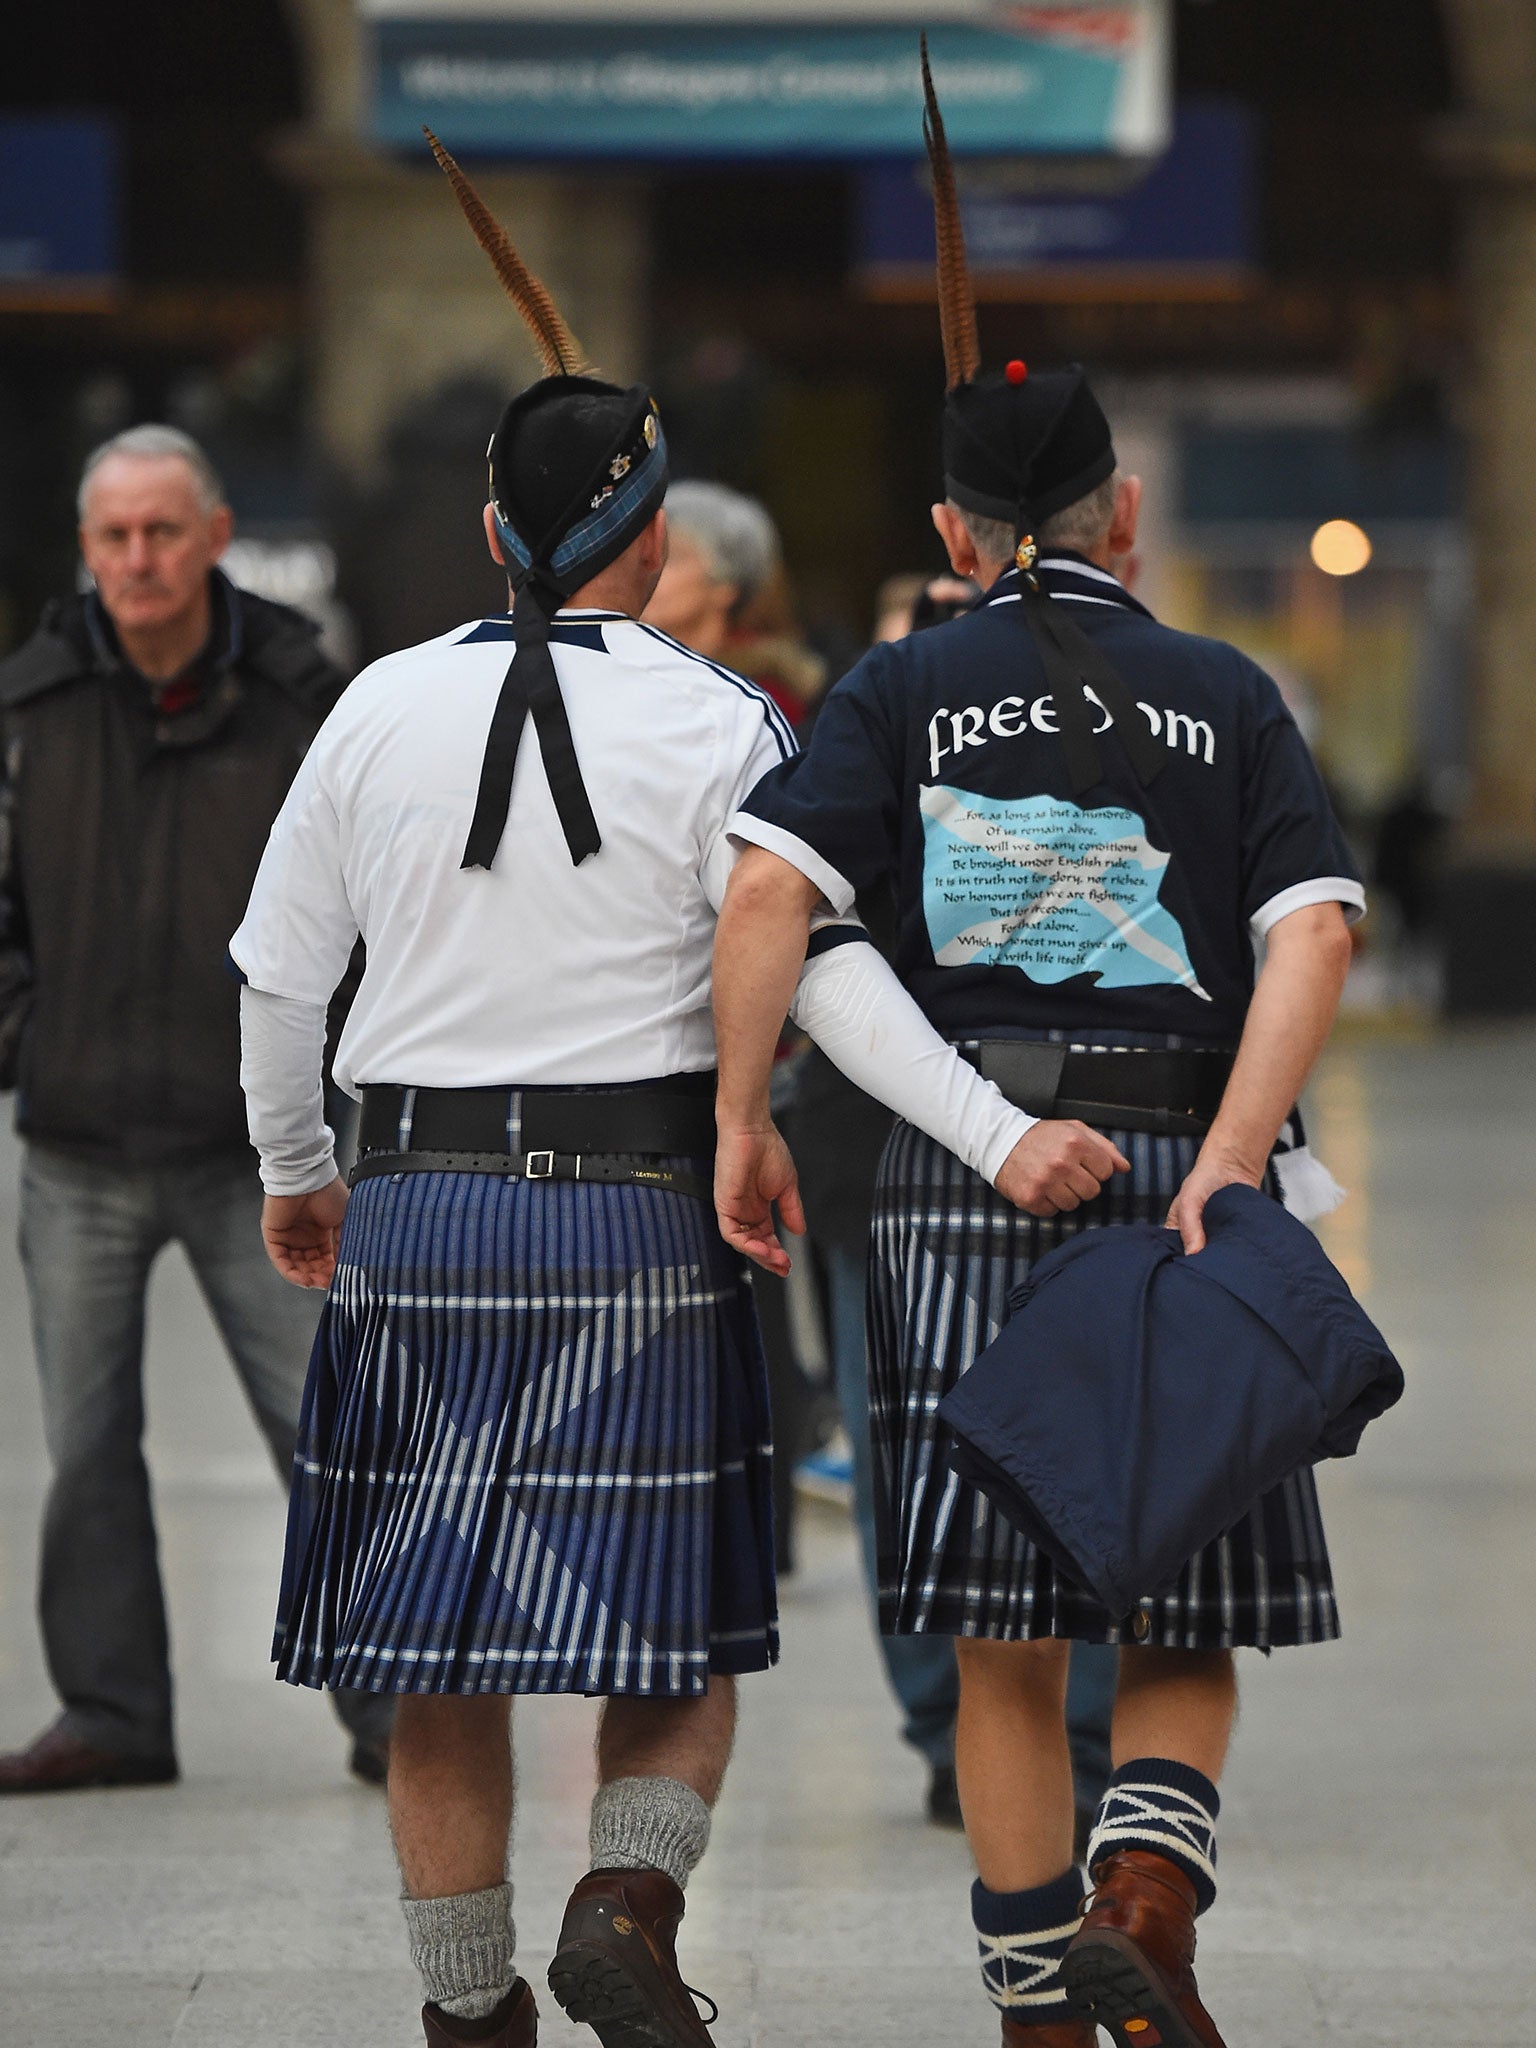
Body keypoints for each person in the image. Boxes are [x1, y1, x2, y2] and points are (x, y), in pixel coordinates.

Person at [230, 144, 1009, 2048]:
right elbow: (824, 970)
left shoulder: (368, 707)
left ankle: (470, 2019)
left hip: (413, 1210)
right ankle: (624, 1900)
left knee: (437, 1662)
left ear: (498, 534)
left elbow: (272, 976)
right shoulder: (729, 722)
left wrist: (296, 1168)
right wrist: (987, 1130)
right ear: (655, 540)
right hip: (640, 1217)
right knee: (675, 1628)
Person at [709, 54, 1363, 2048]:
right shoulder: (1225, 686)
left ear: (949, 528)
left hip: (965, 1195)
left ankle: (1038, 2019)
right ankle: (1147, 1878)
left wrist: (753, 1115)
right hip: (1183, 1185)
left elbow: (775, 919)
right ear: (1128, 515)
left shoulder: (900, 686)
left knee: (1001, 1644)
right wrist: (1237, 1156)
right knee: (1185, 1614)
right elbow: (1311, 931)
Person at [0, 424, 392, 1793]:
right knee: (87, 1446)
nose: (137, 560)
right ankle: (111, 1714)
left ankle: (394, 1722)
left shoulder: (301, 698)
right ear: (85, 547)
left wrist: (334, 1083)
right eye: (111, 536)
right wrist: (28, 1041)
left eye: (162, 532)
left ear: (216, 536)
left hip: (259, 1158)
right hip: (78, 1150)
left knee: (331, 1431)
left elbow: (374, 901)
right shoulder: (32, 702)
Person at [790, 573, 1118, 1841]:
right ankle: (947, 1720)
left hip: (1061, 1132)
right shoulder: (868, 719)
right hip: (875, 1154)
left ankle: (1066, 1723)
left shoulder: (1085, 729)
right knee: (902, 1450)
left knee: (1064, 1441)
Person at [644, 478, 823, 726]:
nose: (651, 569)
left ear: (724, 586)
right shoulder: (625, 667)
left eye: (672, 558)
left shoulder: (764, 697)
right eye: (650, 553)